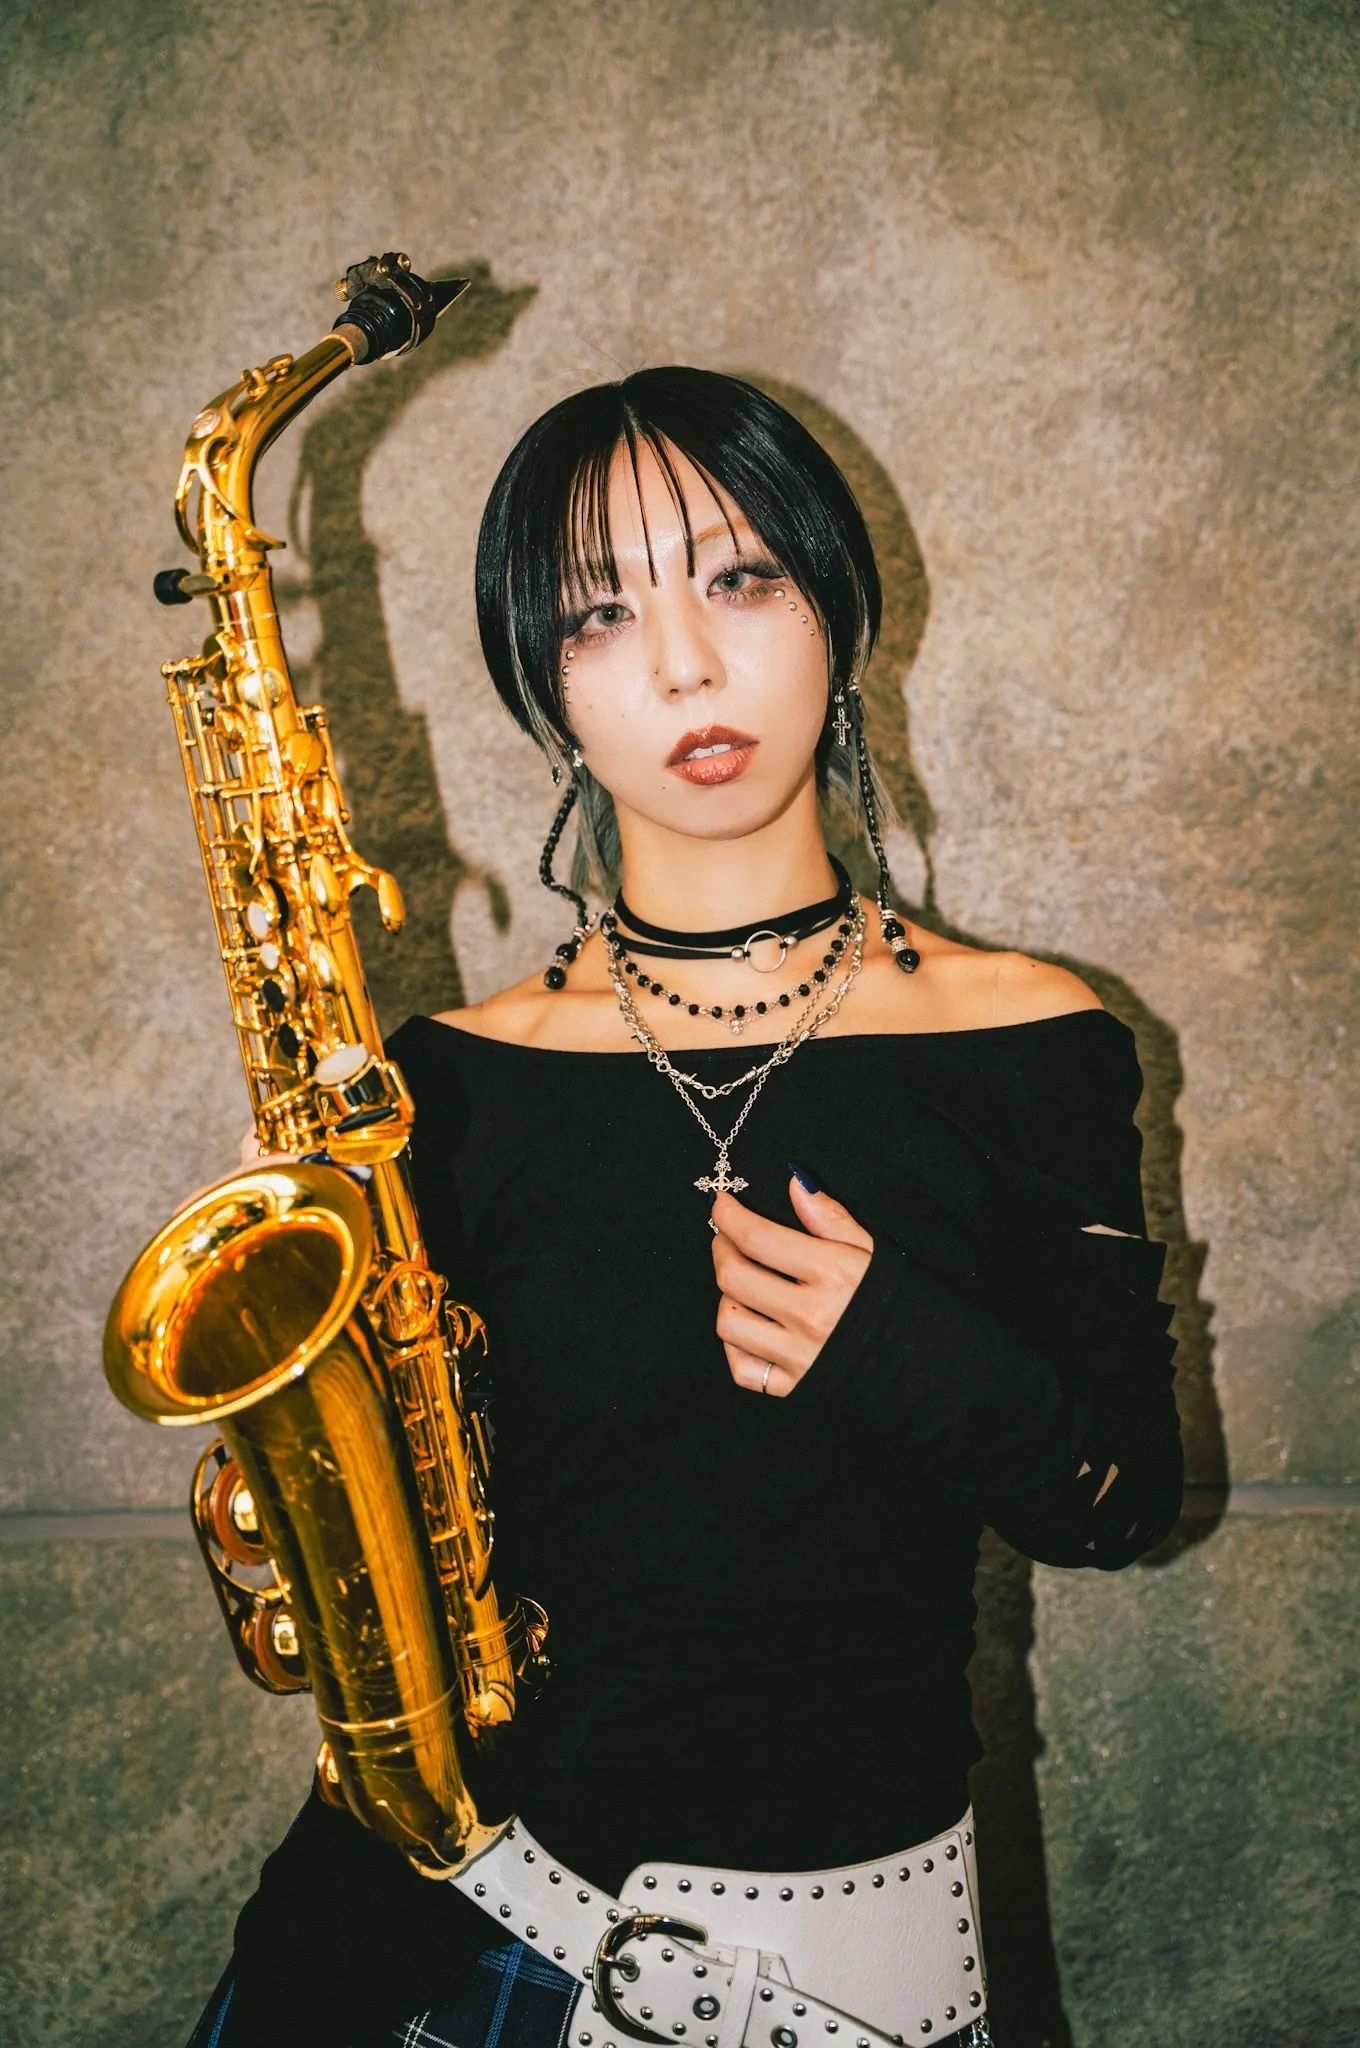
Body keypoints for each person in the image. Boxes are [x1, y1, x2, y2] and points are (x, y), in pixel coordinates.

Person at [188, 369, 1182, 2048]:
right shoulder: (436, 1085)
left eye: (741, 578)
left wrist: (900, 1342)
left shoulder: (1031, 1038)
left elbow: (1120, 1501)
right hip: (399, 1942)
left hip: (823, 1973)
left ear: (836, 607)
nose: (684, 665)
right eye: (599, 613)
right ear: (543, 681)